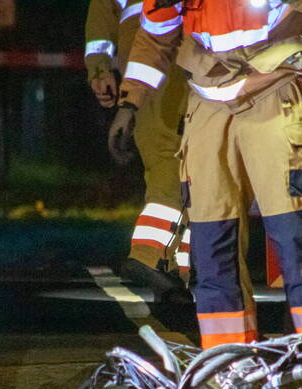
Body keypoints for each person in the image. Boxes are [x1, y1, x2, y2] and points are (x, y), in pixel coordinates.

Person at [110, 0, 302, 362]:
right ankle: (229, 370)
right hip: (207, 103)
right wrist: (130, 102)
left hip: (276, 91)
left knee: (300, 248)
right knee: (213, 253)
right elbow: (156, 36)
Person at [85, 0, 192, 302]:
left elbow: (100, 20)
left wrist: (99, 69)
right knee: (174, 155)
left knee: (182, 159)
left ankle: (176, 269)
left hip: (149, 48)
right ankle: (151, 255)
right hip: (173, 44)